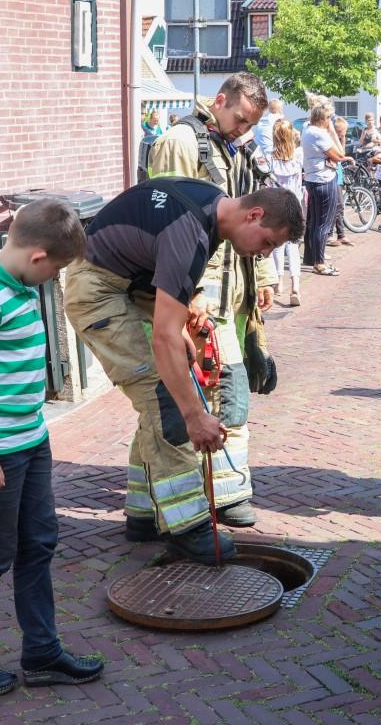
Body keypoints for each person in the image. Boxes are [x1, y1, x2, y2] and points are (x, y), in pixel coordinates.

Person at [64, 180, 303, 563]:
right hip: (99, 292)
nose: (264, 253)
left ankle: (143, 514)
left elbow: (165, 309)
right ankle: (188, 528)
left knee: (168, 383)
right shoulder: (191, 233)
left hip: (126, 285)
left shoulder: (210, 207)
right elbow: (162, 339)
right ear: (254, 215)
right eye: (268, 242)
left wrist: (178, 336)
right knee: (165, 398)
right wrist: (195, 415)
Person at [0, 199, 102, 696]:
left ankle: (43, 653)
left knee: (38, 544)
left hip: (30, 440)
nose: (56, 278)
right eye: (56, 268)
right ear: (37, 257)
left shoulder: (20, 287)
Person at [143, 71, 277, 534]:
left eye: (250, 124)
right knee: (224, 392)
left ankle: (145, 506)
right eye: (239, 119)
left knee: (185, 400)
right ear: (220, 100)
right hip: (200, 297)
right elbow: (167, 222)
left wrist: (261, 272)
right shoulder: (183, 142)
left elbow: (250, 211)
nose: (243, 129)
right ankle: (228, 495)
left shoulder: (232, 146)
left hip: (230, 294)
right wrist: (189, 293)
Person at [301, 97, 344, 276]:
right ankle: (320, 263)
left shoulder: (306, 129)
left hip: (313, 179)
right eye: (329, 118)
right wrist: (334, 132)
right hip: (324, 180)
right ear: (323, 119)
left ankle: (311, 257)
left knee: (314, 222)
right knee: (324, 224)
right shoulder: (319, 134)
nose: (331, 121)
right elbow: (340, 155)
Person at [269, 118, 305, 306]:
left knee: (277, 245)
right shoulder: (298, 155)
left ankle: (278, 281)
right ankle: (295, 285)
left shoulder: (270, 157)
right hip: (294, 203)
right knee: (293, 245)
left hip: (276, 205)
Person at [330, 116, 355, 247]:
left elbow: (342, 152)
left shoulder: (337, 140)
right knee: (336, 205)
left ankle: (341, 234)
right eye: (344, 131)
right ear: (339, 131)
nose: (345, 133)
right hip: (333, 175)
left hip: (337, 174)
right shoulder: (331, 141)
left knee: (339, 206)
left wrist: (343, 140)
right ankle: (330, 234)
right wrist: (348, 157)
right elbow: (340, 155)